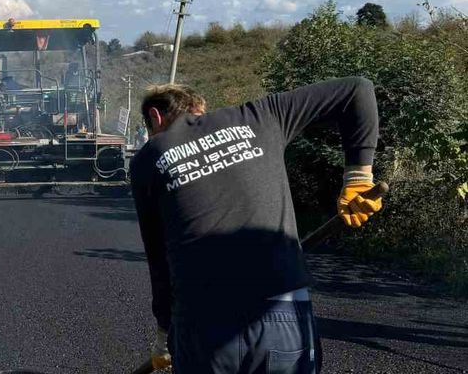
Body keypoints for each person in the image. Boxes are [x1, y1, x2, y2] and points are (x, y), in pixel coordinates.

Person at [131, 77, 382, 373]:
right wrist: (358, 177)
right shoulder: (261, 115)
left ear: (155, 117)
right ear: (201, 108)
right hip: (282, 309)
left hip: (201, 321)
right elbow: (357, 89)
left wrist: (164, 332)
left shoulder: (147, 158)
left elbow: (158, 260)